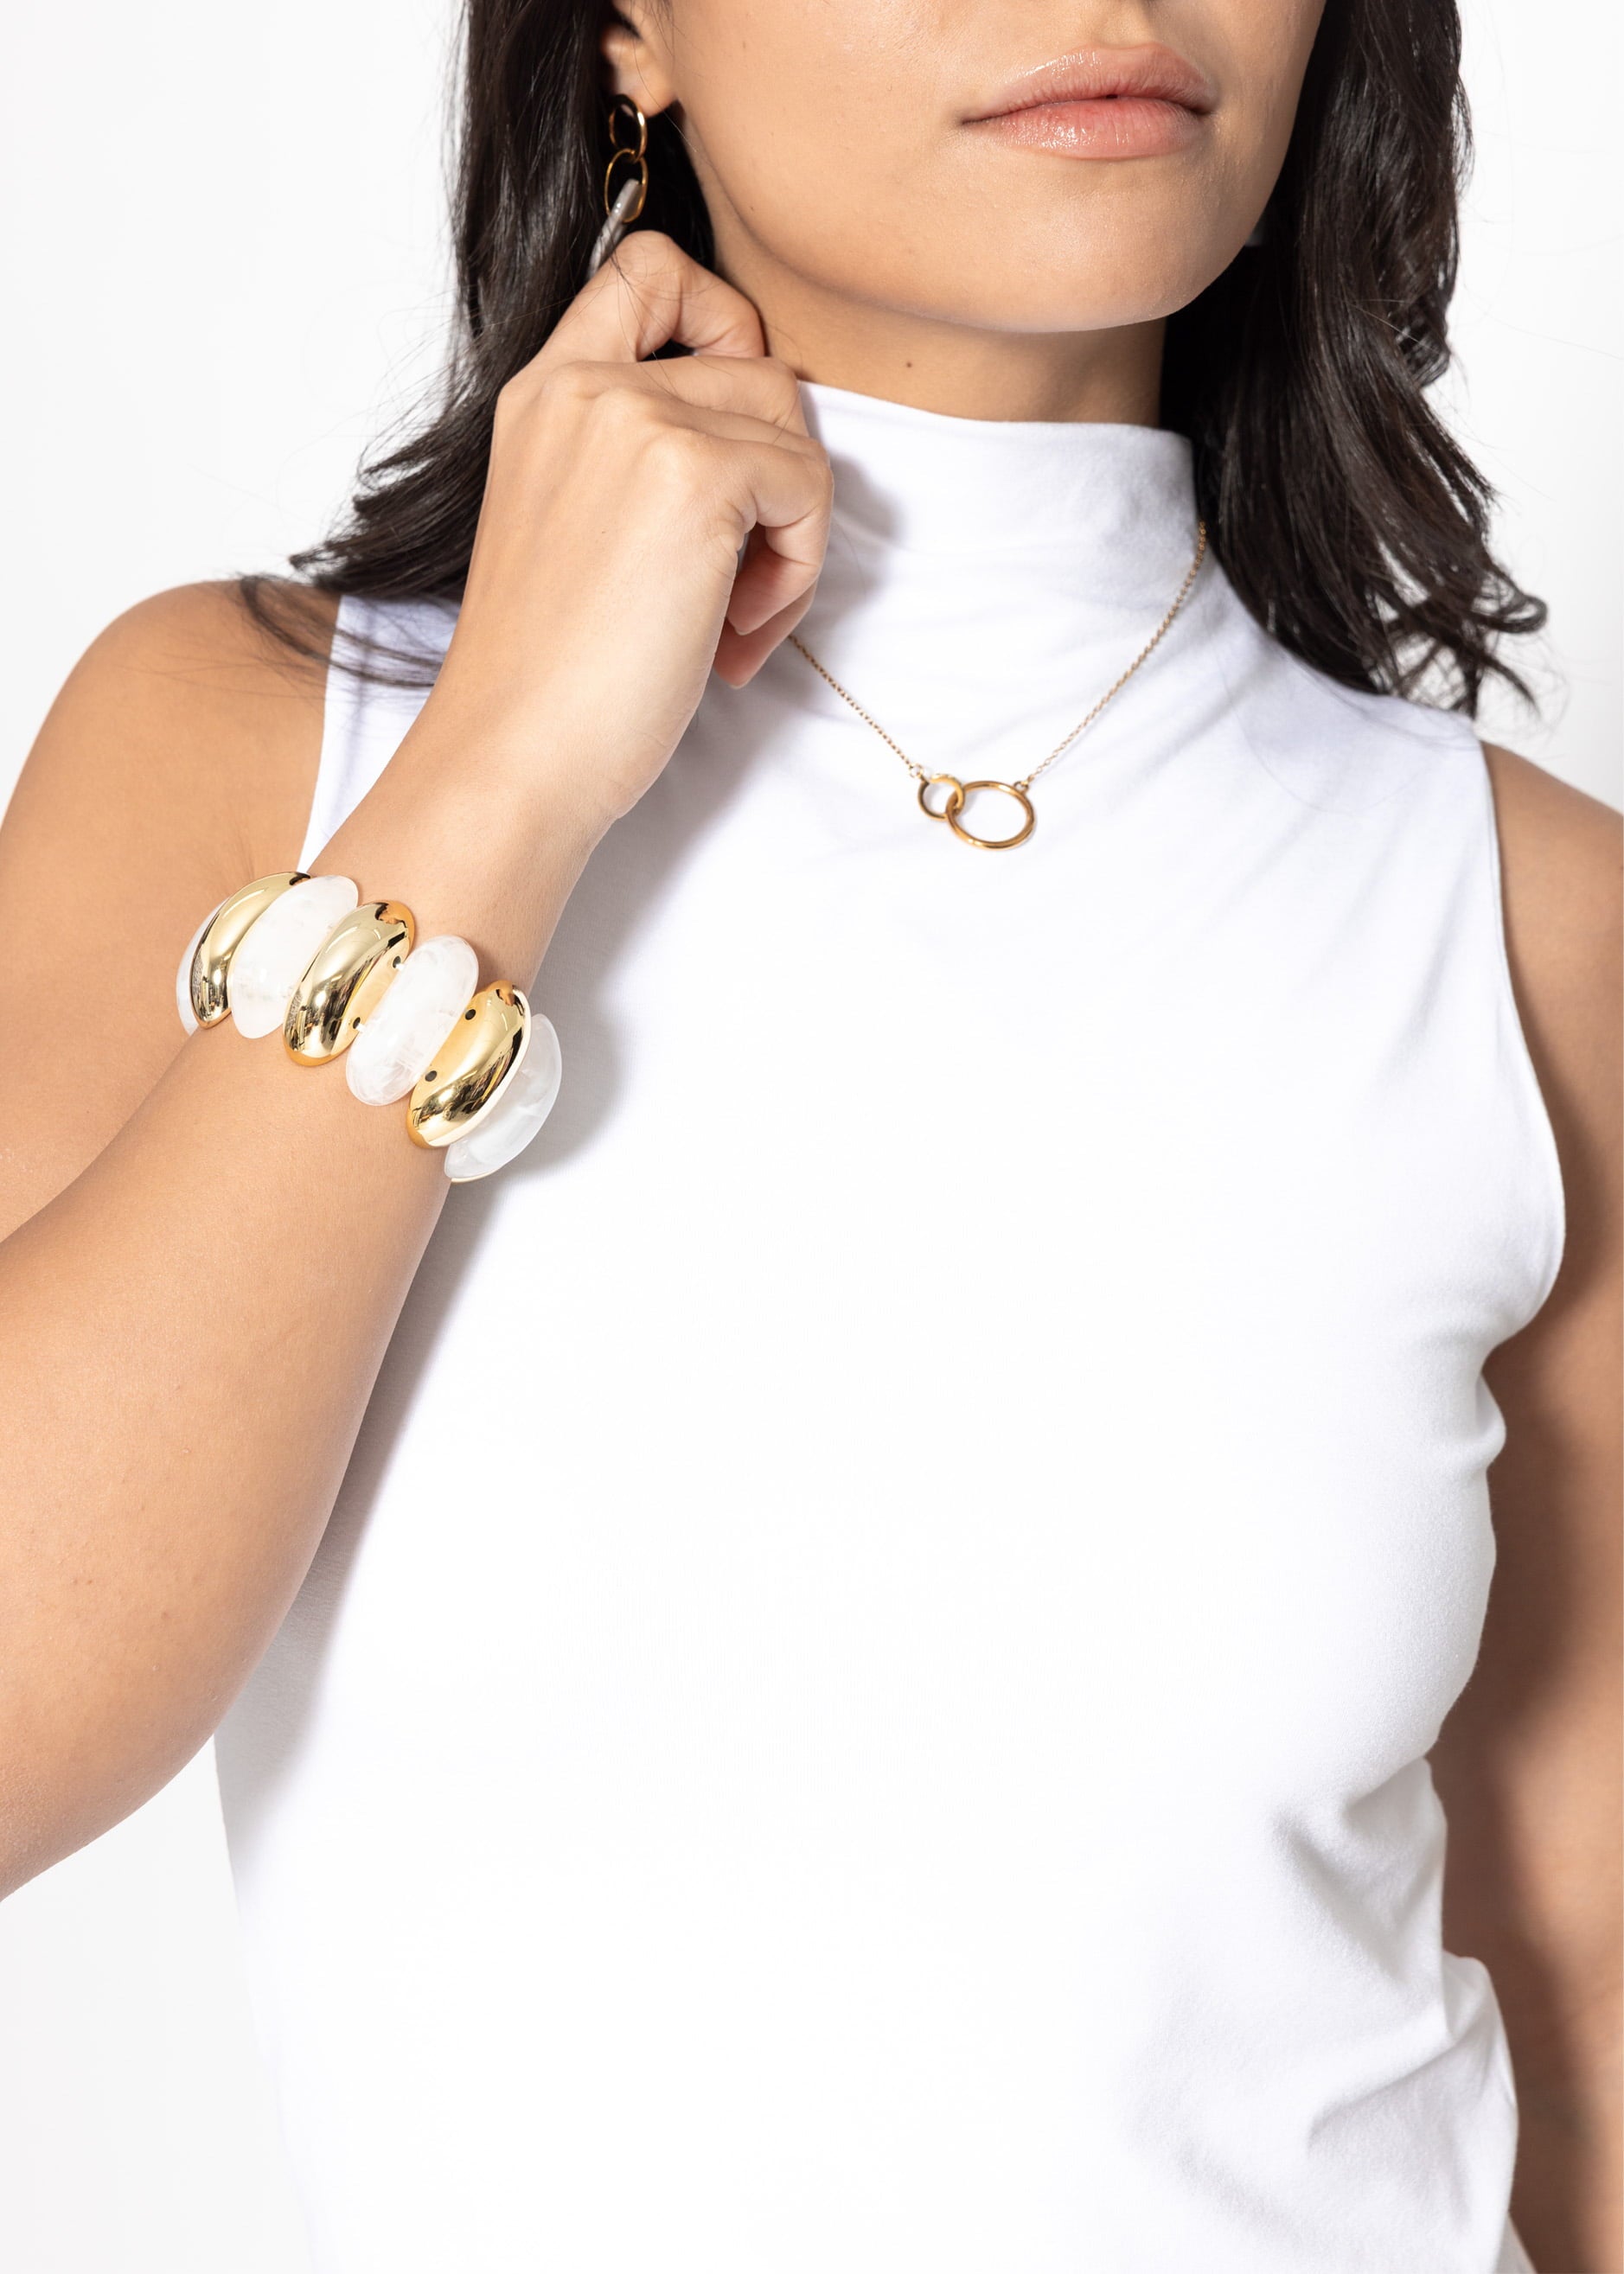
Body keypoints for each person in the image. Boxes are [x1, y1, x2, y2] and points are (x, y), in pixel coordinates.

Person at [0, 0, 1616, 2265]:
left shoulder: (1528, 924)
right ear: (629, 30)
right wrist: (506, 770)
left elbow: (1580, 1979)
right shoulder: (254, 753)